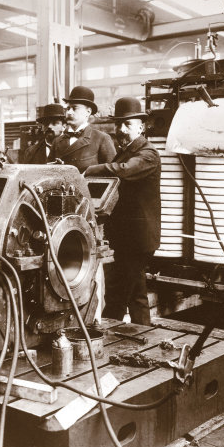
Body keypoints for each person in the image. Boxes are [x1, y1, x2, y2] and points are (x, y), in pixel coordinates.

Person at [84, 96, 161, 325]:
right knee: (136, 294)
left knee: (118, 295)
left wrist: (90, 170)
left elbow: (125, 170)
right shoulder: (125, 152)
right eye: (119, 124)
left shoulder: (148, 153)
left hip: (137, 239)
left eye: (128, 124)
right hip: (126, 237)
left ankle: (107, 336)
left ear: (141, 127)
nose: (122, 130)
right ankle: (143, 334)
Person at [48, 86, 115, 172]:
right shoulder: (57, 141)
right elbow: (48, 172)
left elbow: (111, 174)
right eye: (68, 108)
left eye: (74, 108)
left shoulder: (101, 139)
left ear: (88, 112)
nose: (69, 112)